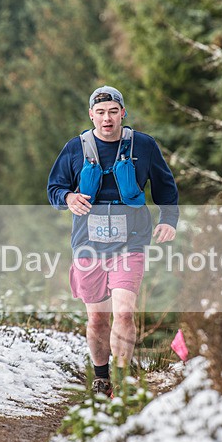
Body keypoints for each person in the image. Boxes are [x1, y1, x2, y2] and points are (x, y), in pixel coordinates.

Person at [47, 86, 179, 396]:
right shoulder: (74, 148)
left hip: (130, 242)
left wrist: (169, 221)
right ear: (91, 115)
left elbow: (165, 186)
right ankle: (102, 377)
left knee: (124, 311)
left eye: (113, 111)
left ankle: (121, 380)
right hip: (88, 243)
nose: (107, 118)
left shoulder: (143, 146)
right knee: (97, 319)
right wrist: (68, 197)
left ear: (123, 113)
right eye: (101, 112)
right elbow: (54, 188)